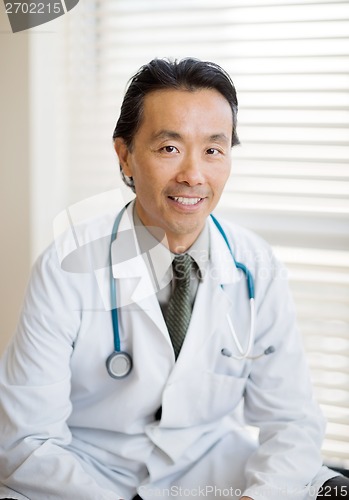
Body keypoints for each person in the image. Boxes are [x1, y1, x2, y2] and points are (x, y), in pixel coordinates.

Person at [0, 58, 347, 500]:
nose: (194, 175)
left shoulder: (255, 265)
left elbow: (292, 420)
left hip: (211, 472)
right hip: (85, 473)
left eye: (213, 150)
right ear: (125, 156)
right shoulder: (66, 267)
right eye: (169, 148)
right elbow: (26, 442)